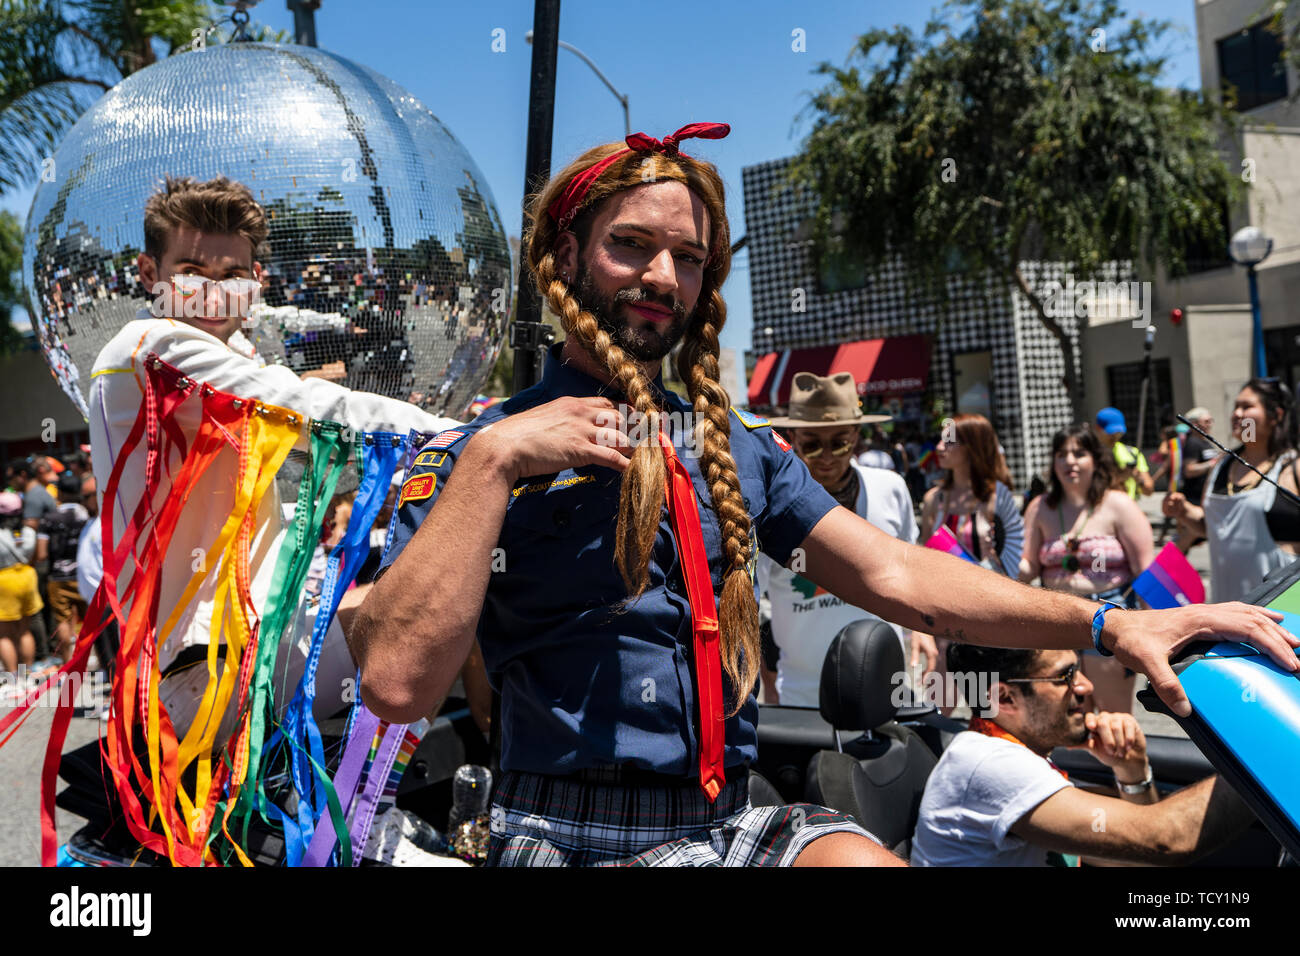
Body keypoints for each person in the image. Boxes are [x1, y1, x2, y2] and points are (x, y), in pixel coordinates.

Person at [349, 123, 1298, 869]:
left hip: (731, 818)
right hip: (561, 831)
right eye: (631, 246)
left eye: (687, 259)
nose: (661, 279)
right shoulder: (475, 450)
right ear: (567, 252)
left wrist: (1109, 626)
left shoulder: (736, 450)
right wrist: (497, 460)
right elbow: (398, 685)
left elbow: (897, 574)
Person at [89, 174, 452, 749]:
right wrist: (468, 439)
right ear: (148, 274)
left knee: (413, 599)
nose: (211, 292)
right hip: (202, 676)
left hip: (246, 651)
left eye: (231, 275)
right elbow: (310, 406)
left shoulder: (227, 355)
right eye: (190, 273)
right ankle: (371, 820)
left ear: (255, 282)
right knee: (441, 609)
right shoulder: (152, 347)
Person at [911, 644, 1255, 866]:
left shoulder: (1013, 752)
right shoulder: (991, 765)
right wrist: (1265, 760)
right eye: (1065, 677)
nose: (1085, 687)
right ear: (1005, 698)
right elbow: (1166, 839)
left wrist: (1131, 771)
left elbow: (1133, 860)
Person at [756, 371, 916, 706]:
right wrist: (761, 680)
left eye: (839, 442)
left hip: (887, 686)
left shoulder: (891, 489)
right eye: (812, 445)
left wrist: (922, 635)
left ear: (857, 436)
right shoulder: (767, 506)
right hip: (802, 696)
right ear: (793, 438)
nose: (827, 457)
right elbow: (746, 606)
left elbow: (910, 576)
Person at [1020, 424, 1154, 713]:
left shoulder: (1118, 504)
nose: (1069, 461)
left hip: (1108, 616)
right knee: (1065, 717)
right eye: (1061, 454)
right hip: (1054, 620)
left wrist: (1154, 629)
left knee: (1112, 716)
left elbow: (1145, 571)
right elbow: (1028, 566)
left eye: (1079, 454)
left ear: (1095, 459)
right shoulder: (1040, 507)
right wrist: (1001, 555)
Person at [913, 413, 1024, 696]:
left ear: (973, 447)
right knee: (937, 703)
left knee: (990, 706)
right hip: (944, 615)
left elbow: (1016, 566)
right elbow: (922, 564)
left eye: (949, 441)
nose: (939, 446)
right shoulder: (934, 500)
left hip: (987, 618)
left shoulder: (998, 499)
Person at [1163, 378, 1300, 603]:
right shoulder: (1221, 466)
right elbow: (1213, 528)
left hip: (1283, 610)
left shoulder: (1293, 466)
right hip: (1227, 610)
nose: (1237, 413)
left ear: (1276, 415)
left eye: (1247, 406)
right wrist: (1183, 510)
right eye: (1236, 406)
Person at [35, 472, 90, 661]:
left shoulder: (49, 518)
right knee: (92, 621)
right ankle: (100, 661)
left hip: (58, 577)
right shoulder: (86, 515)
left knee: (63, 622)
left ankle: (69, 663)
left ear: (60, 493)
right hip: (84, 574)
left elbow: (41, 554)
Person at [0, 491, 42, 675]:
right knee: (25, 630)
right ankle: (27, 673)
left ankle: (12, 678)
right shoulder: (29, 532)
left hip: (5, 579)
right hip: (27, 577)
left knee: (4, 634)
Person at [1094, 407, 1153, 499]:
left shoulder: (1132, 453)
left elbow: (1149, 491)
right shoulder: (1089, 455)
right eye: (1111, 432)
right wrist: (1120, 477)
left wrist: (1138, 479)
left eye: (1119, 432)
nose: (1115, 436)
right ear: (1098, 428)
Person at [1178, 406, 1220, 505]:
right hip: (1195, 498)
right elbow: (1189, 470)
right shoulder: (1193, 443)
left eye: (1211, 421)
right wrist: (1213, 463)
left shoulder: (1204, 442)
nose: (1210, 424)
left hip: (1204, 496)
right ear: (1195, 424)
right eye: (1206, 421)